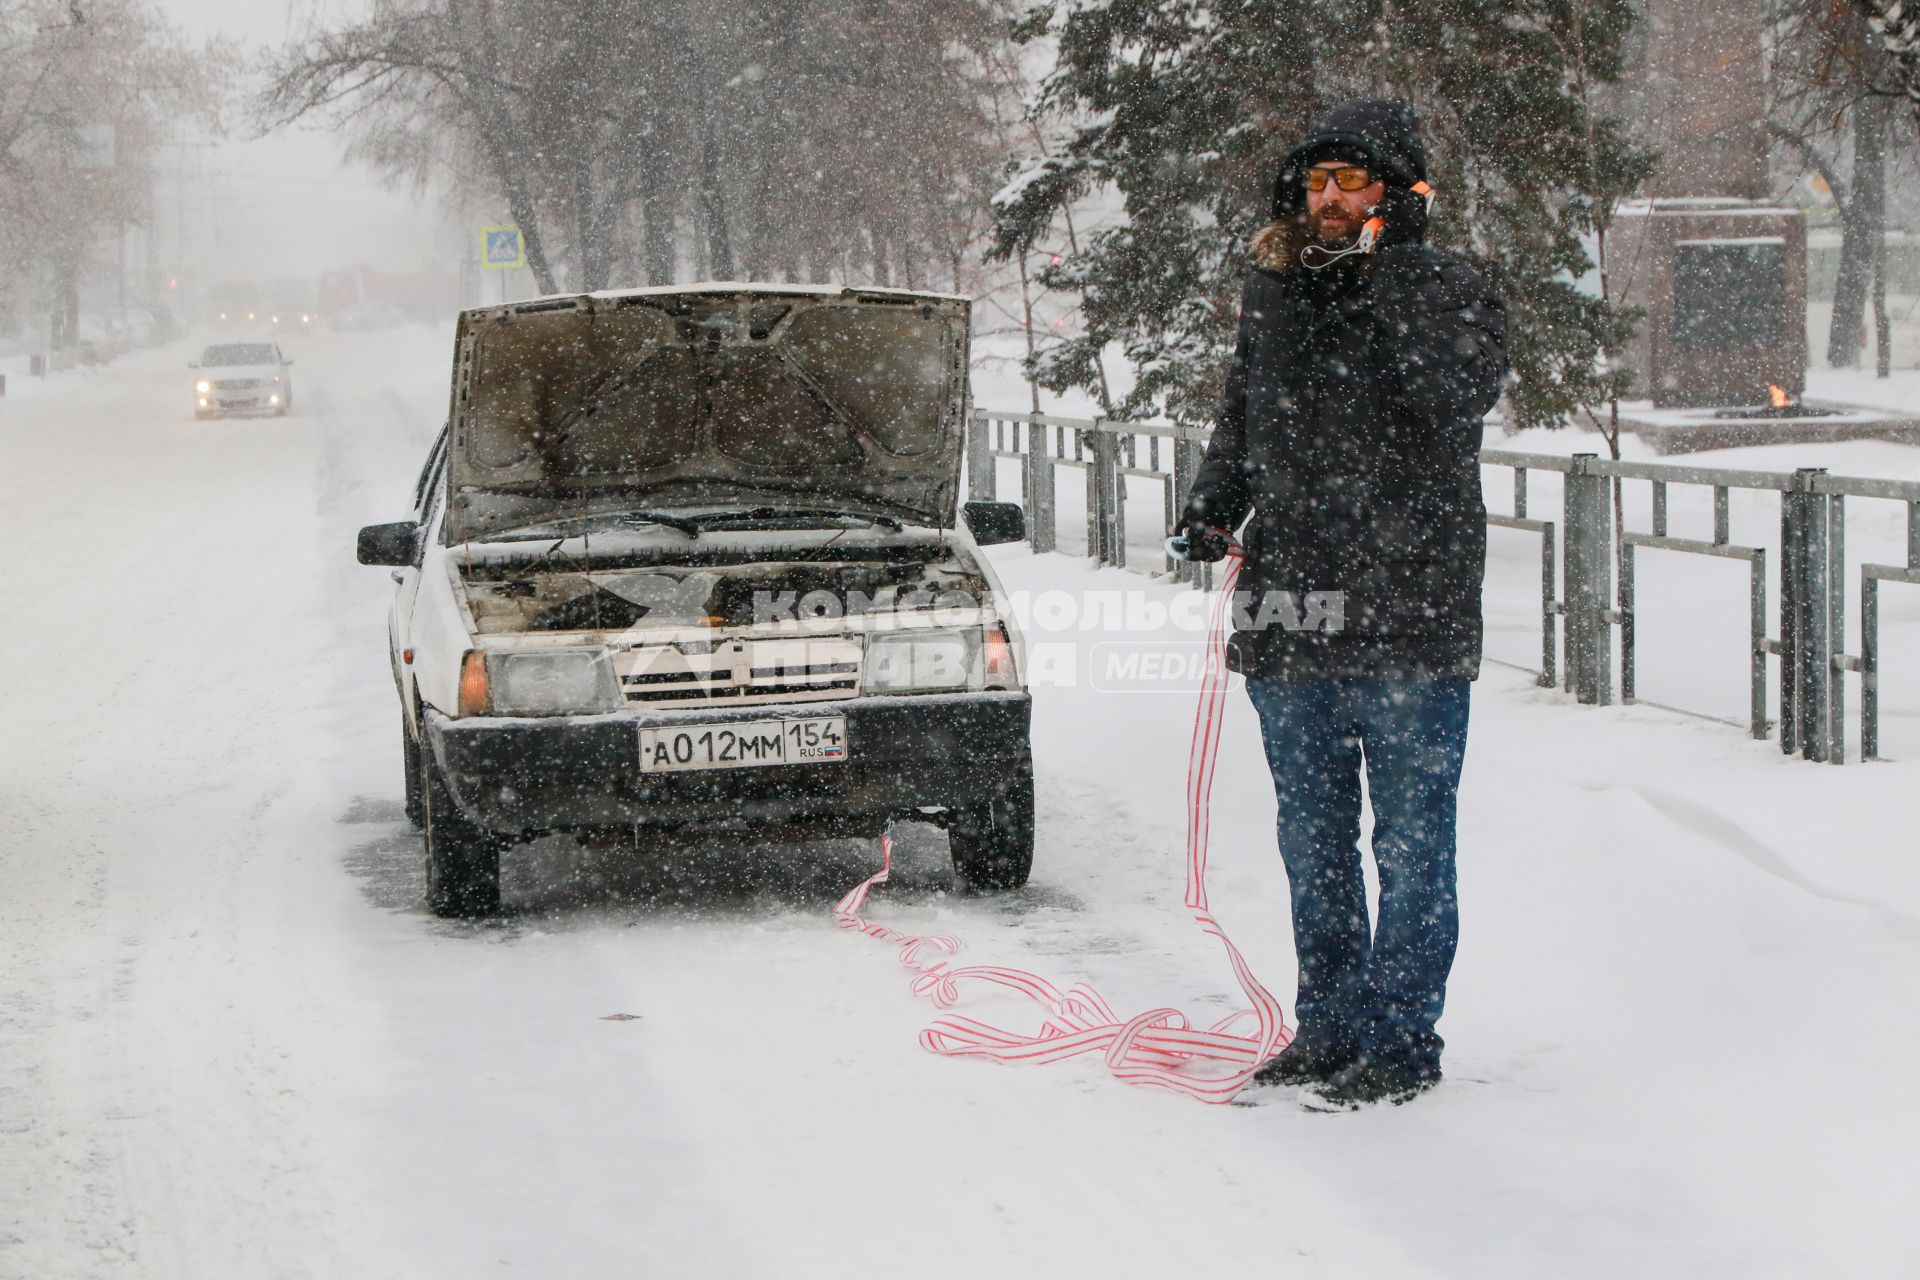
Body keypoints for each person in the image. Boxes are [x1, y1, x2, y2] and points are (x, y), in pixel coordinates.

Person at [1172, 99, 1507, 1110]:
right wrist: (1212, 504)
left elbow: (1451, 394)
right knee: (1311, 841)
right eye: (1316, 180)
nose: (1327, 197)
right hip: (1294, 607)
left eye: (1350, 180)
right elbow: (1244, 410)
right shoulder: (1274, 291)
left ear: (1398, 194)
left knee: (1409, 844)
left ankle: (1402, 1039)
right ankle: (1327, 1027)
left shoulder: (1450, 287)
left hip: (1414, 611)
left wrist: (1392, 266)